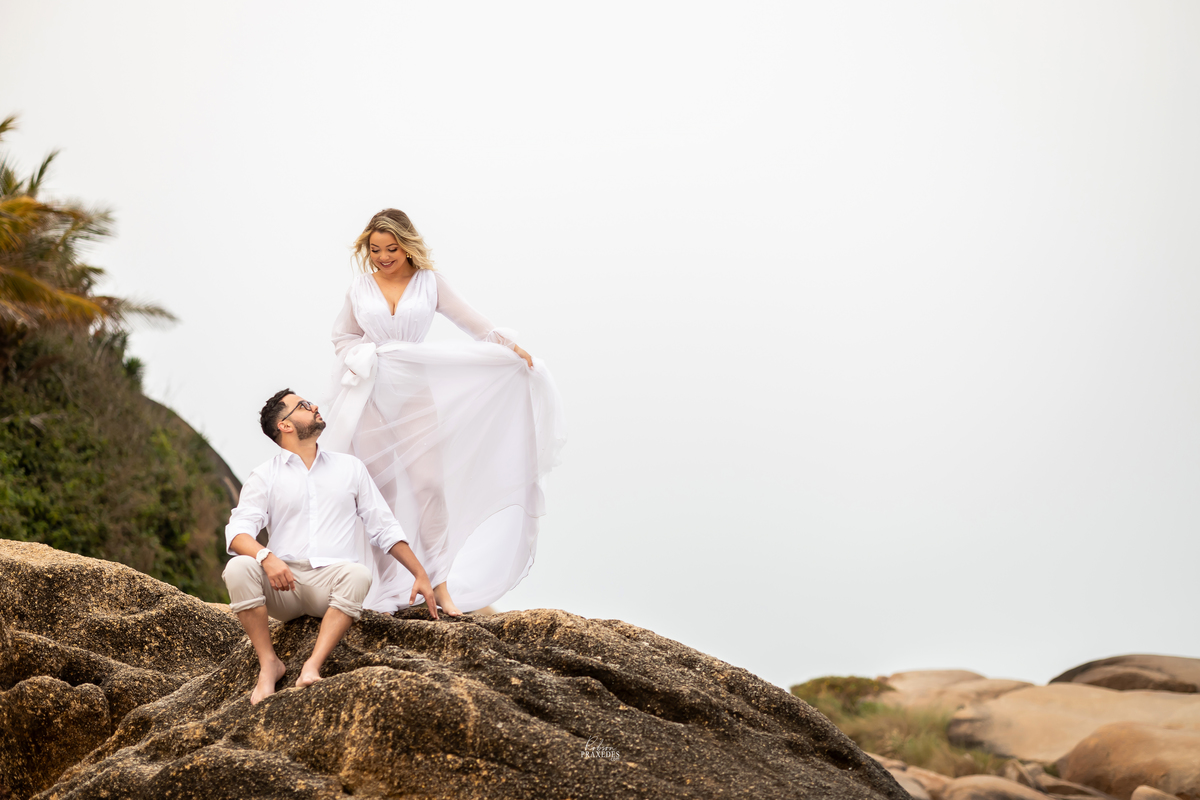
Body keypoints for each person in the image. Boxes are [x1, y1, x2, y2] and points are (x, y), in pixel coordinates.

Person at [322, 209, 566, 617]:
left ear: (408, 245)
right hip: (371, 397)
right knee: (380, 493)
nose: (383, 257)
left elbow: (477, 326)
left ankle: (439, 583)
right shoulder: (359, 288)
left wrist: (512, 350)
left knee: (429, 485)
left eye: (392, 249)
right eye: (375, 249)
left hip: (416, 394)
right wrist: (361, 354)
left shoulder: (429, 283)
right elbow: (341, 336)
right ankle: (386, 588)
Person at [223, 388, 437, 705]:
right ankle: (269, 663)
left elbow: (383, 525)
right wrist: (266, 557)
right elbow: (237, 532)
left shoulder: (350, 468)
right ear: (284, 425)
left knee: (358, 574)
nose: (315, 407)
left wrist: (420, 574)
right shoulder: (264, 475)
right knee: (237, 568)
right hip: (284, 586)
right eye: (304, 406)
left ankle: (312, 665)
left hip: (332, 585)